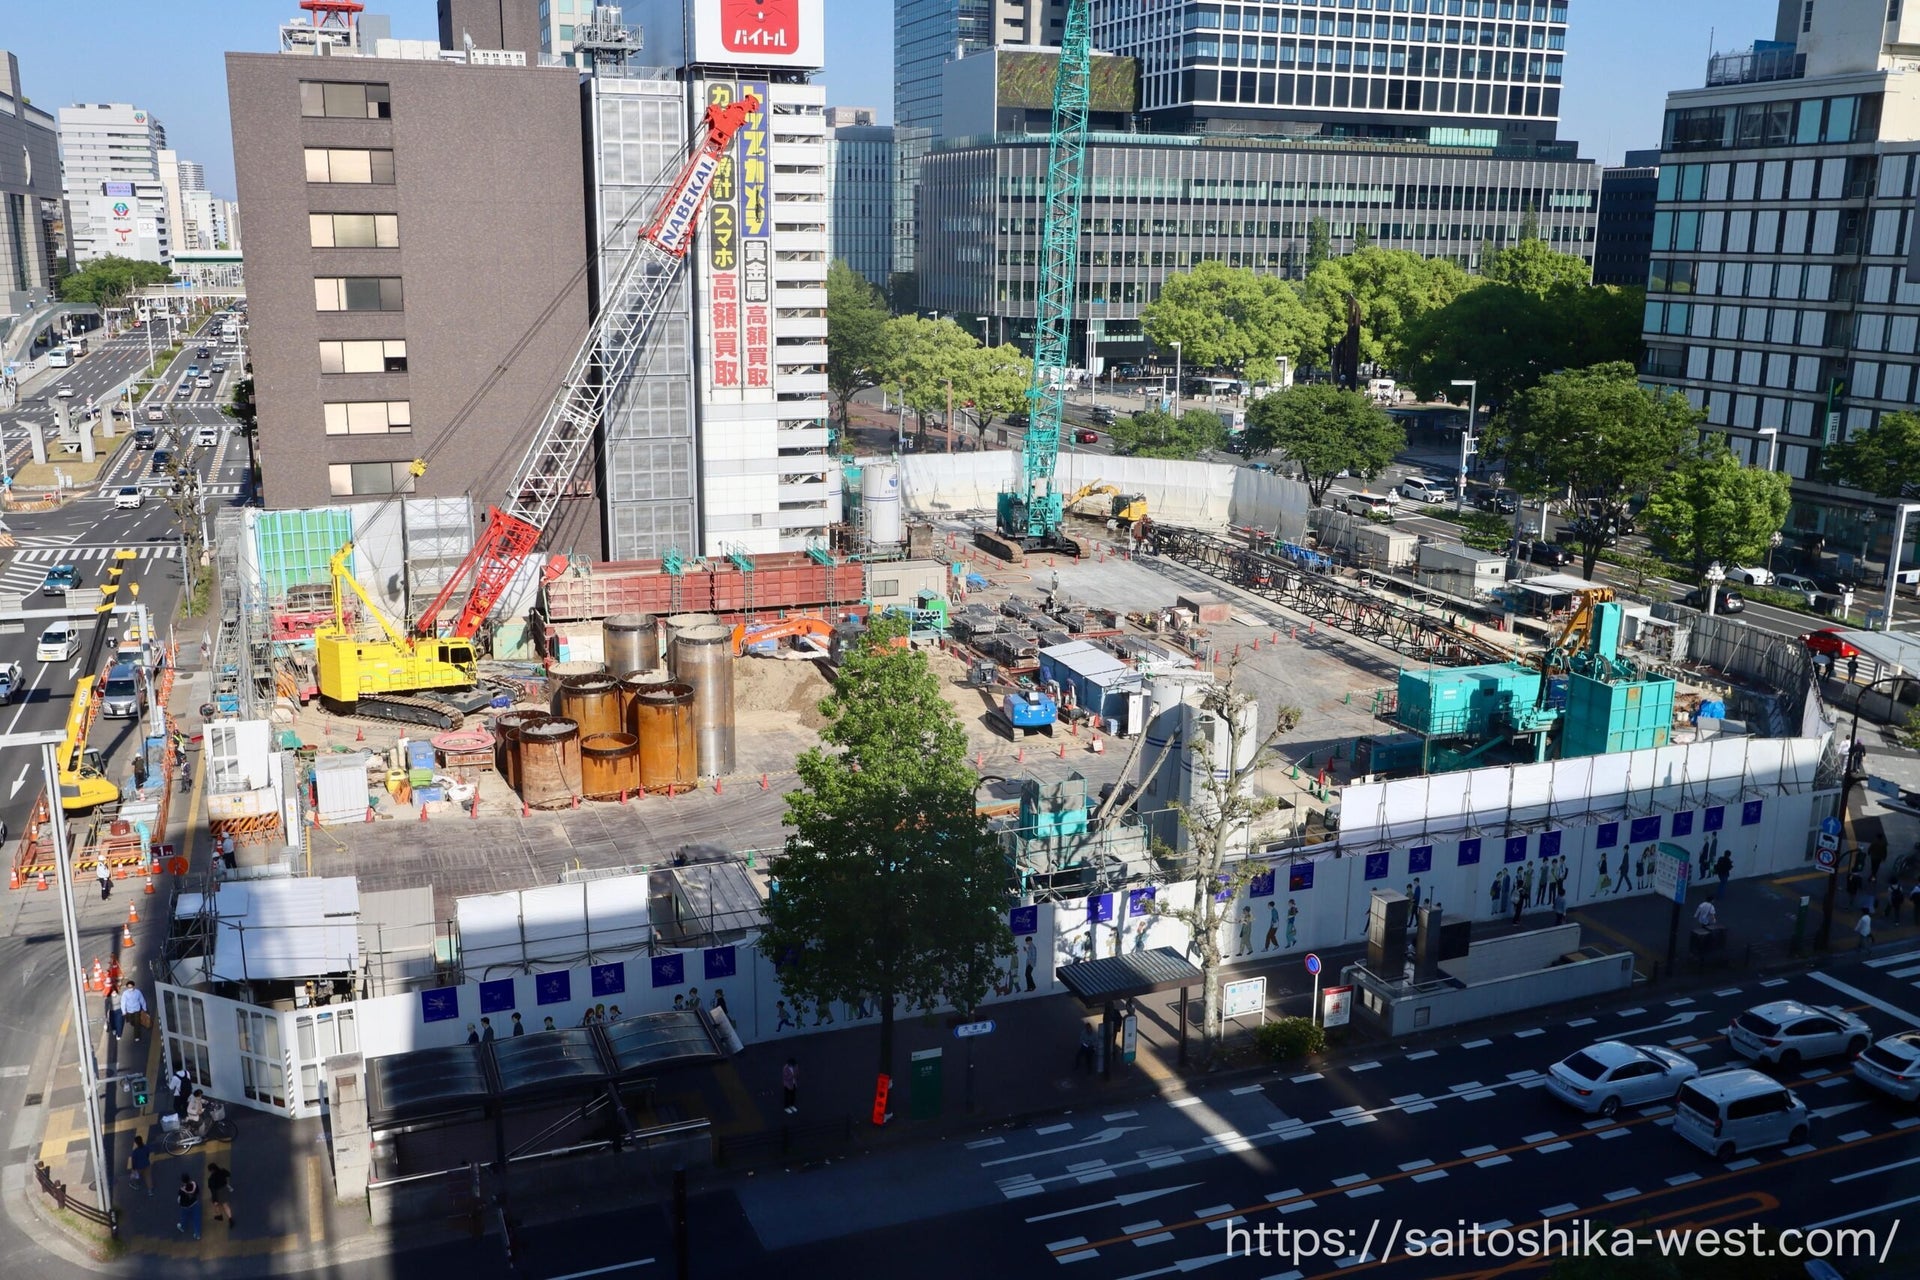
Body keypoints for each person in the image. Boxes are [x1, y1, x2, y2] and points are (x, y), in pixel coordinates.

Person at [206, 1161, 234, 1228]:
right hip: (224, 1190)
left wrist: (215, 1199)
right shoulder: (222, 1171)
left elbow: (212, 1189)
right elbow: (229, 1174)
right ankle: (230, 1219)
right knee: (225, 1206)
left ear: (211, 1170)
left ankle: (219, 1216)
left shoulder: (211, 1179)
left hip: (217, 1192)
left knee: (216, 1205)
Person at [177, 1173, 202, 1240]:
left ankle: (182, 1227)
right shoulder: (194, 1184)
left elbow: (179, 1200)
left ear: (182, 1181)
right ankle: (197, 1234)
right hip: (194, 1203)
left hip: (185, 1207)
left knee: (184, 1216)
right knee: (196, 1219)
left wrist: (180, 1204)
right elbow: (198, 1192)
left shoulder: (181, 1190)